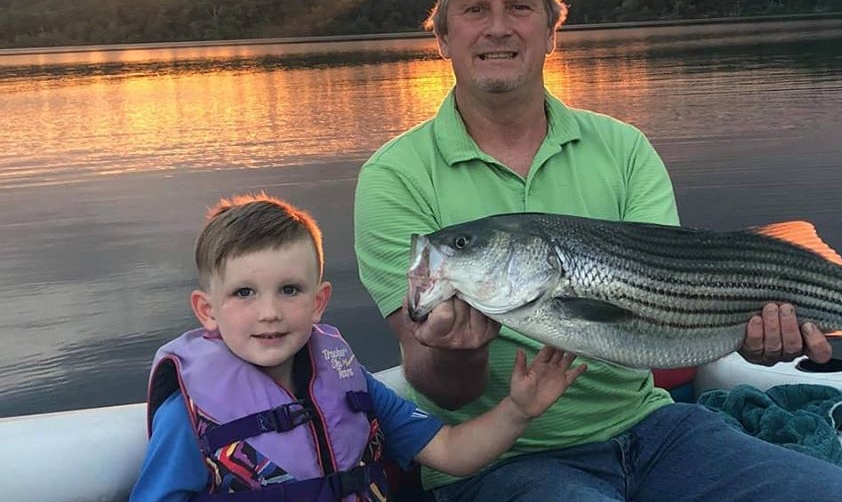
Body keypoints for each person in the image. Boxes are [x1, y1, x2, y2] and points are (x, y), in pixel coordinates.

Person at [353, 0, 842, 502]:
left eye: (520, 7)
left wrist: (749, 333)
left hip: (653, 430)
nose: (498, 27)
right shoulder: (395, 178)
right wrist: (459, 347)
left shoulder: (623, 149)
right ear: (443, 35)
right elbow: (437, 389)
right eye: (475, 9)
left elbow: (675, 305)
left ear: (553, 29)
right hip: (503, 460)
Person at [130, 193, 585, 502]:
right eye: (244, 293)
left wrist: (518, 410)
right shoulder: (189, 415)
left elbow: (450, 452)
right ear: (207, 310)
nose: (269, 312)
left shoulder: (346, 381)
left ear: (319, 302)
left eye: (289, 290)